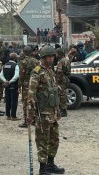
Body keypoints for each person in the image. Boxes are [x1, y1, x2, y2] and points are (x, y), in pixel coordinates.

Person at [26, 45, 65, 175]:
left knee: (54, 139)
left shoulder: (50, 71)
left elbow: (54, 91)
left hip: (52, 112)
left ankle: (51, 164)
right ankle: (43, 169)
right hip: (42, 113)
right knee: (42, 140)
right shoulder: (37, 72)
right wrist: (30, 114)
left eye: (53, 56)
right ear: (43, 57)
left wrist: (58, 109)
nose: (51, 58)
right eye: (49, 56)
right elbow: (31, 94)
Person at [18, 46, 39, 128]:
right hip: (34, 83)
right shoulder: (36, 61)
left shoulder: (23, 62)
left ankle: (26, 121)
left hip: (26, 84)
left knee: (26, 102)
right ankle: (34, 119)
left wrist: (19, 86)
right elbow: (37, 71)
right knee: (33, 101)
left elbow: (21, 75)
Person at [1, 52, 20, 120]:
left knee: (8, 100)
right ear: (15, 58)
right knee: (14, 101)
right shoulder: (16, 65)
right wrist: (11, 81)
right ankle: (13, 116)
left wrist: (5, 81)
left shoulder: (4, 65)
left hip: (6, 85)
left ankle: (8, 115)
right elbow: (16, 75)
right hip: (13, 85)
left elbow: (1, 75)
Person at [55, 47, 71, 117]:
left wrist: (57, 82)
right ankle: (63, 110)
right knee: (64, 94)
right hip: (66, 78)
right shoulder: (67, 60)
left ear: (59, 54)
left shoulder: (61, 61)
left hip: (62, 80)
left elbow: (59, 72)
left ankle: (63, 111)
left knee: (62, 95)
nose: (56, 55)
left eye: (57, 53)